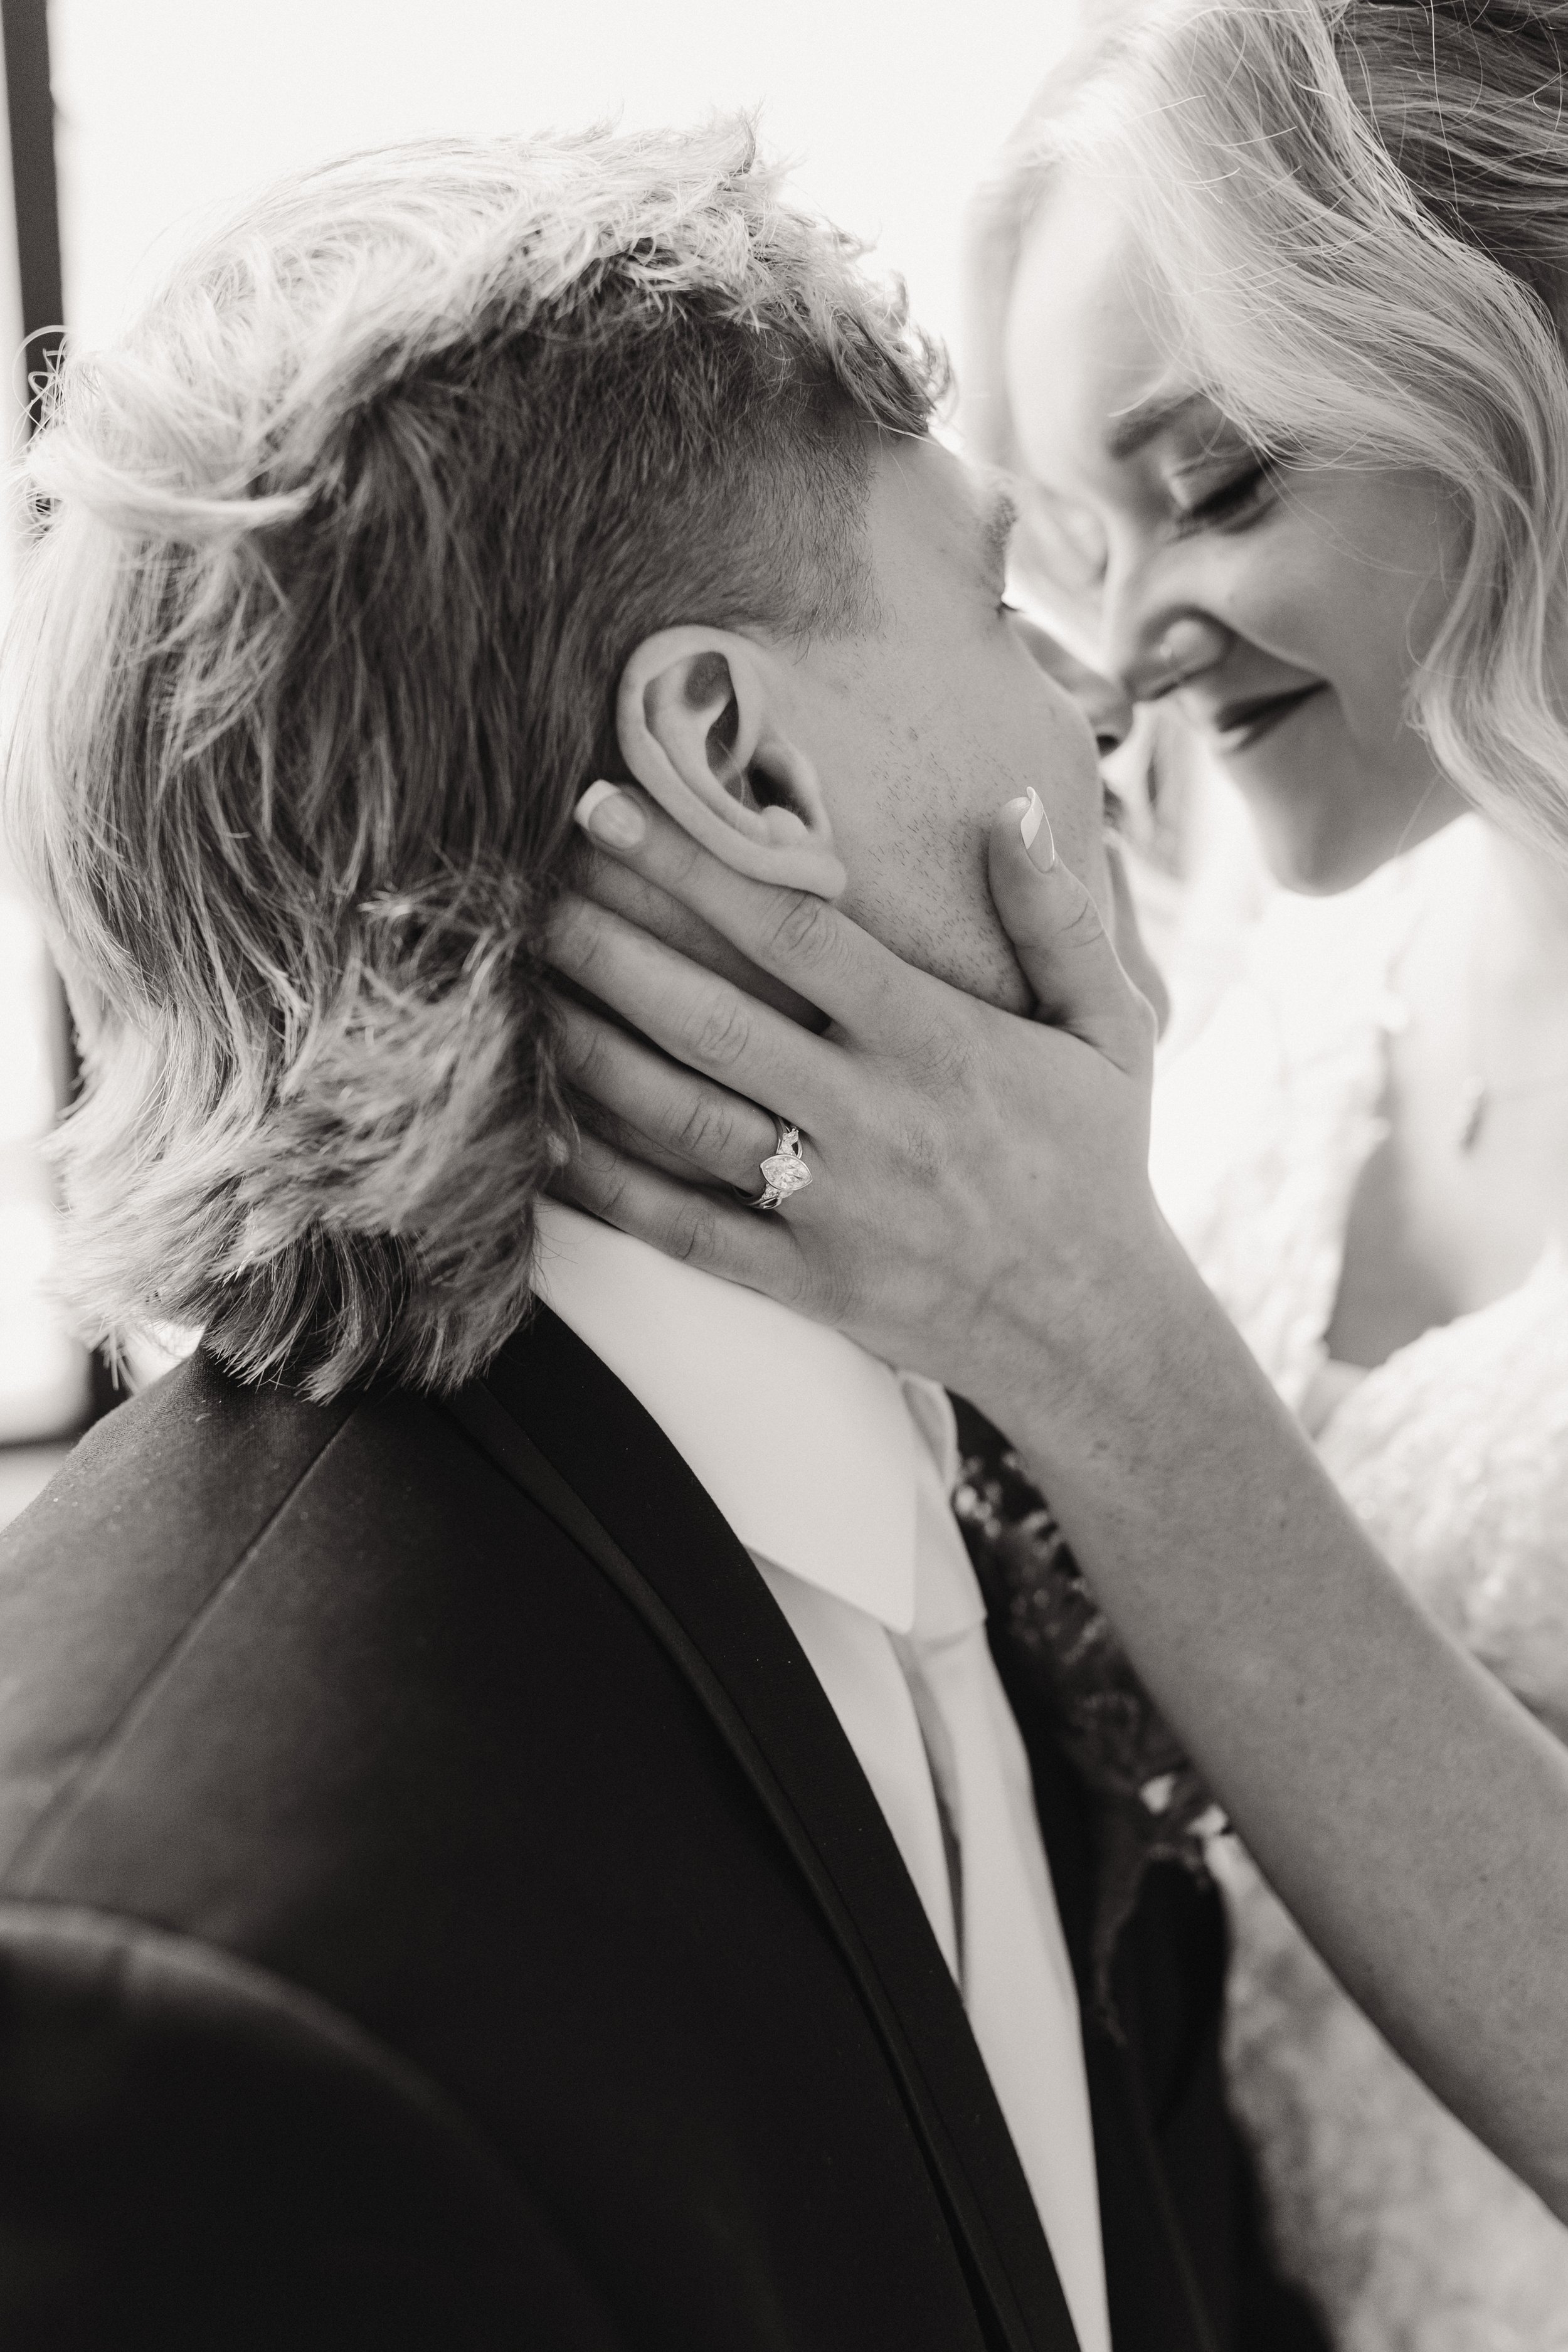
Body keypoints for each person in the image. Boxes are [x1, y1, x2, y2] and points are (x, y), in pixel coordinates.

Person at [0, 125, 1318, 2352]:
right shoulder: (195, 2033)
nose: (1091, 704)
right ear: (739, 759)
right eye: (995, 605)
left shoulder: (936, 1410)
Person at [548, 1, 1568, 2341]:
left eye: (1216, 488)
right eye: (1076, 546)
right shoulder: (1292, 979)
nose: (1118, 656)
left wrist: (1092, 1342)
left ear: (1510, 375)